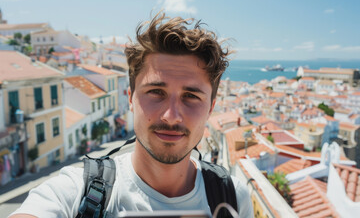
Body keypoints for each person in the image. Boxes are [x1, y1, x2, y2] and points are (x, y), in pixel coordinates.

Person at [9, 12, 254, 218]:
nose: (171, 116)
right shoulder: (76, 190)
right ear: (130, 98)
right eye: (156, 92)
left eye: (191, 96)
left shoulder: (233, 198)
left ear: (211, 107)